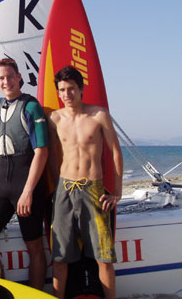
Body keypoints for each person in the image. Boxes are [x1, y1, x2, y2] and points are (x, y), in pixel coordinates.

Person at [0, 58, 49, 290]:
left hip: (28, 185)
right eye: (1, 78)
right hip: (1, 184)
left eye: (10, 77)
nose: (6, 82)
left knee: (34, 245)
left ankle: (35, 295)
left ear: (19, 77)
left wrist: (27, 192)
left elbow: (42, 152)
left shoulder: (31, 106)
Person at [48, 66, 123, 299]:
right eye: (62, 90)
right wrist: (54, 189)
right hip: (64, 189)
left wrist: (117, 193)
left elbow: (116, 153)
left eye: (71, 89)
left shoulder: (99, 115)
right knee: (59, 256)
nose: (67, 94)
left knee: (103, 257)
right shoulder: (54, 118)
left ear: (81, 90)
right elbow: (49, 153)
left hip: (93, 190)